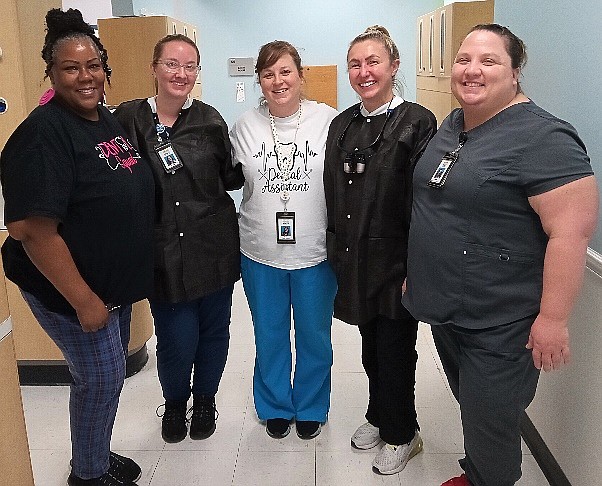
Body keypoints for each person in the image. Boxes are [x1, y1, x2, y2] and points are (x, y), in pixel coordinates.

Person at [402, 24, 599, 486]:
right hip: (449, 307)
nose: (472, 70)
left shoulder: (544, 138)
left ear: (515, 72)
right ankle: (475, 474)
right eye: (464, 59)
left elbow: (570, 234)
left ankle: (489, 478)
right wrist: (422, 274)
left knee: (492, 420)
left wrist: (552, 319)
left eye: (489, 61)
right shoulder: (454, 124)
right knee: (472, 405)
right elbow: (438, 206)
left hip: (501, 319)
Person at [0, 8, 154, 486]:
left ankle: (96, 457)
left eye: (93, 66)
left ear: (105, 70)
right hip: (75, 294)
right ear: (52, 72)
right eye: (71, 67)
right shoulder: (43, 134)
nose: (85, 76)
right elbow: (33, 231)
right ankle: (88, 475)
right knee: (101, 380)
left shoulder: (102, 120)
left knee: (104, 381)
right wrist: (84, 300)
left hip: (111, 287)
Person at [113, 34, 243, 443]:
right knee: (175, 338)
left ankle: (205, 400)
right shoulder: (128, 118)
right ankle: (174, 404)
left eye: (189, 67)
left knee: (214, 333)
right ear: (153, 67)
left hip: (214, 246)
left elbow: (231, 176)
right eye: (171, 64)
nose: (180, 74)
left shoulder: (209, 119)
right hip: (163, 252)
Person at [324, 26, 436, 475]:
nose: (364, 71)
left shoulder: (417, 121)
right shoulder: (343, 123)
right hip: (354, 257)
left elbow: (423, 201)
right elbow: (335, 190)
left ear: (393, 66)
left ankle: (403, 433)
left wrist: (416, 265)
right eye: (355, 64)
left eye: (373, 62)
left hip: (396, 261)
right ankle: (378, 413)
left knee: (394, 349)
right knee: (370, 347)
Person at [229, 40, 338, 440]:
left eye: (285, 72)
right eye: (268, 74)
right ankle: (275, 403)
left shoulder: (329, 121)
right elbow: (228, 178)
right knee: (269, 334)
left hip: (315, 252)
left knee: (314, 335)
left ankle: (311, 404)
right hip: (260, 251)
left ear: (301, 75)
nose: (278, 81)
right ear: (259, 80)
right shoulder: (244, 126)